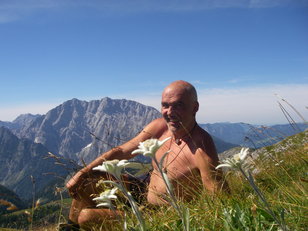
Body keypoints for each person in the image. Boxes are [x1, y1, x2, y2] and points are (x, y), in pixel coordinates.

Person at [64, 80, 225, 230]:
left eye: (179, 105)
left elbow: (220, 199)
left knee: (86, 217)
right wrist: (82, 173)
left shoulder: (202, 148)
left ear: (195, 107)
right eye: (165, 105)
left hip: (161, 214)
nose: (170, 112)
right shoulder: (160, 127)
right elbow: (122, 152)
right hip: (142, 190)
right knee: (85, 184)